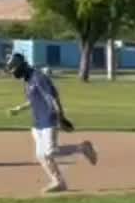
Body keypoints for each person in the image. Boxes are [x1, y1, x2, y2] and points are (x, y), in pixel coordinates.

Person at [6, 53, 97, 194]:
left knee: (50, 152)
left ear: (21, 66)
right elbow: (33, 100)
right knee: (41, 155)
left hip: (49, 119)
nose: (13, 72)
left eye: (14, 68)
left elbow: (52, 97)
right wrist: (19, 109)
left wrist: (61, 117)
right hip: (37, 122)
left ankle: (83, 148)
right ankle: (58, 182)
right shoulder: (28, 80)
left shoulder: (39, 77)